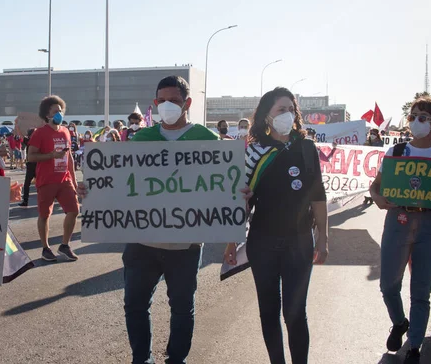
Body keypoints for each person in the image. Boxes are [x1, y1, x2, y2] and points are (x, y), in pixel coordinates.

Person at [79, 75, 219, 364]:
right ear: (155, 104)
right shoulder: (142, 138)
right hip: (142, 242)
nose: (168, 106)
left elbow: (224, 185)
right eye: (162, 101)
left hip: (186, 245)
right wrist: (93, 189)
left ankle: (175, 359)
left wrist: (238, 191)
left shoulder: (207, 139)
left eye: (175, 101)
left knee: (182, 308)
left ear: (187, 103)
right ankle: (141, 359)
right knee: (135, 305)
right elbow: (120, 184)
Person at [224, 87, 328, 364]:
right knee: (268, 311)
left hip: (300, 242)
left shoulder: (306, 148)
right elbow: (240, 201)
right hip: (263, 242)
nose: (288, 115)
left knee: (296, 313)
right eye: (281, 110)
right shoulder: (254, 152)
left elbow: (318, 196)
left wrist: (324, 238)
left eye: (291, 109)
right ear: (267, 117)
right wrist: (231, 241)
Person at [369, 97, 431, 364]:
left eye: (422, 117)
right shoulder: (396, 153)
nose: (415, 121)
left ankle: (414, 346)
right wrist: (378, 199)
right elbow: (376, 187)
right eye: (412, 116)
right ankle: (399, 323)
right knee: (388, 285)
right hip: (398, 221)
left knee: (421, 292)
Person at [28, 95, 79, 262]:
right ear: (47, 114)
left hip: (64, 180)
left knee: (74, 210)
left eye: (61, 110)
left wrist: (74, 179)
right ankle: (45, 248)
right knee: (44, 215)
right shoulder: (39, 133)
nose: (59, 114)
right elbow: (31, 157)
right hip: (46, 180)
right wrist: (51, 155)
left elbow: (69, 156)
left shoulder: (65, 131)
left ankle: (65, 245)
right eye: (55, 111)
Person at [19, 128, 37, 207]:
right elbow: (21, 135)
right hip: (32, 164)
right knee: (27, 184)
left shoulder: (38, 140)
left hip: (36, 164)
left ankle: (25, 201)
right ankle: (25, 201)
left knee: (29, 184)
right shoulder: (29, 141)